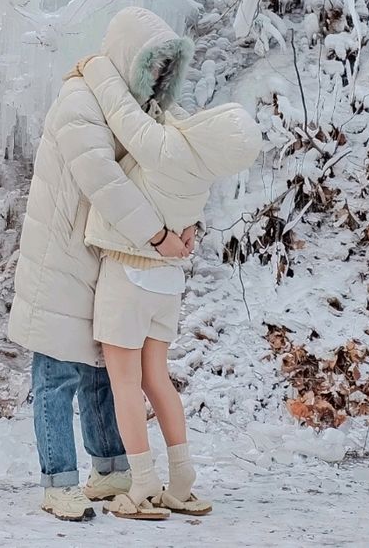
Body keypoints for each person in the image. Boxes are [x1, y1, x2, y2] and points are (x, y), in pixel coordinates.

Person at [7, 6, 196, 522]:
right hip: (60, 254)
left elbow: (163, 174)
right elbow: (104, 182)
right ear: (127, 57)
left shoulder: (127, 111)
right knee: (56, 372)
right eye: (150, 65)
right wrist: (158, 236)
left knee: (100, 370)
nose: (156, 78)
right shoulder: (79, 103)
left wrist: (185, 220)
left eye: (165, 70)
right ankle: (58, 480)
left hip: (102, 255)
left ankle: (110, 468)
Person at [75, 52, 262, 520]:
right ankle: (182, 482)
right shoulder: (201, 170)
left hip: (129, 271)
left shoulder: (166, 148)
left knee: (124, 382)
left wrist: (96, 66)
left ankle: (141, 486)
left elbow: (122, 113)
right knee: (158, 380)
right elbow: (171, 118)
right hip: (166, 285)